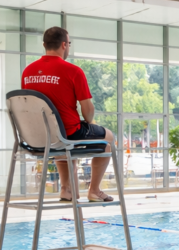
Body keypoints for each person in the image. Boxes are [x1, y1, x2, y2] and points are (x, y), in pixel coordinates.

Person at [22, 27, 114, 203]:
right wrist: (89, 121)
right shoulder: (73, 71)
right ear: (64, 45)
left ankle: (67, 189)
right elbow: (87, 111)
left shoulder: (28, 72)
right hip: (67, 133)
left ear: (44, 45)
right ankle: (94, 190)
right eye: (69, 44)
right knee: (108, 138)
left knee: (59, 140)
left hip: (36, 136)